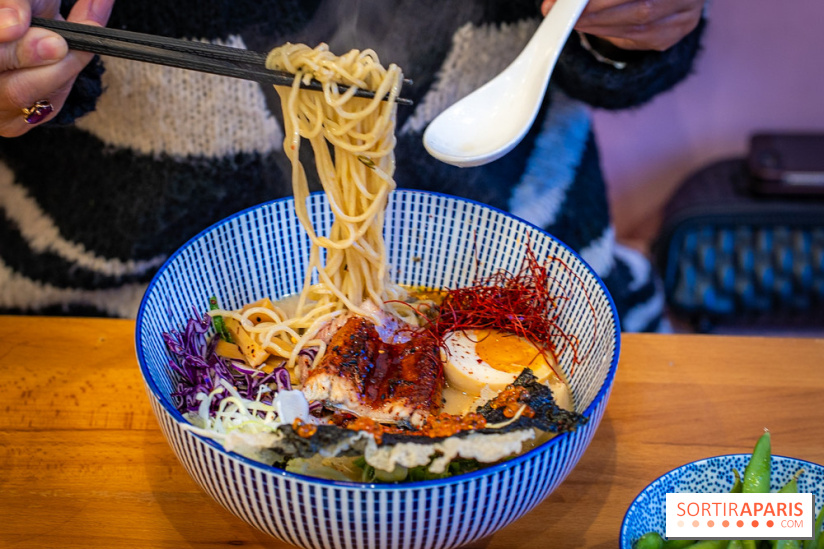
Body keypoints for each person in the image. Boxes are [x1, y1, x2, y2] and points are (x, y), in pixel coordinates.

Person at [0, 0, 705, 330]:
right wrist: (21, 70)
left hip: (534, 296)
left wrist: (634, 28)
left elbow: (633, 44)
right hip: (89, 323)